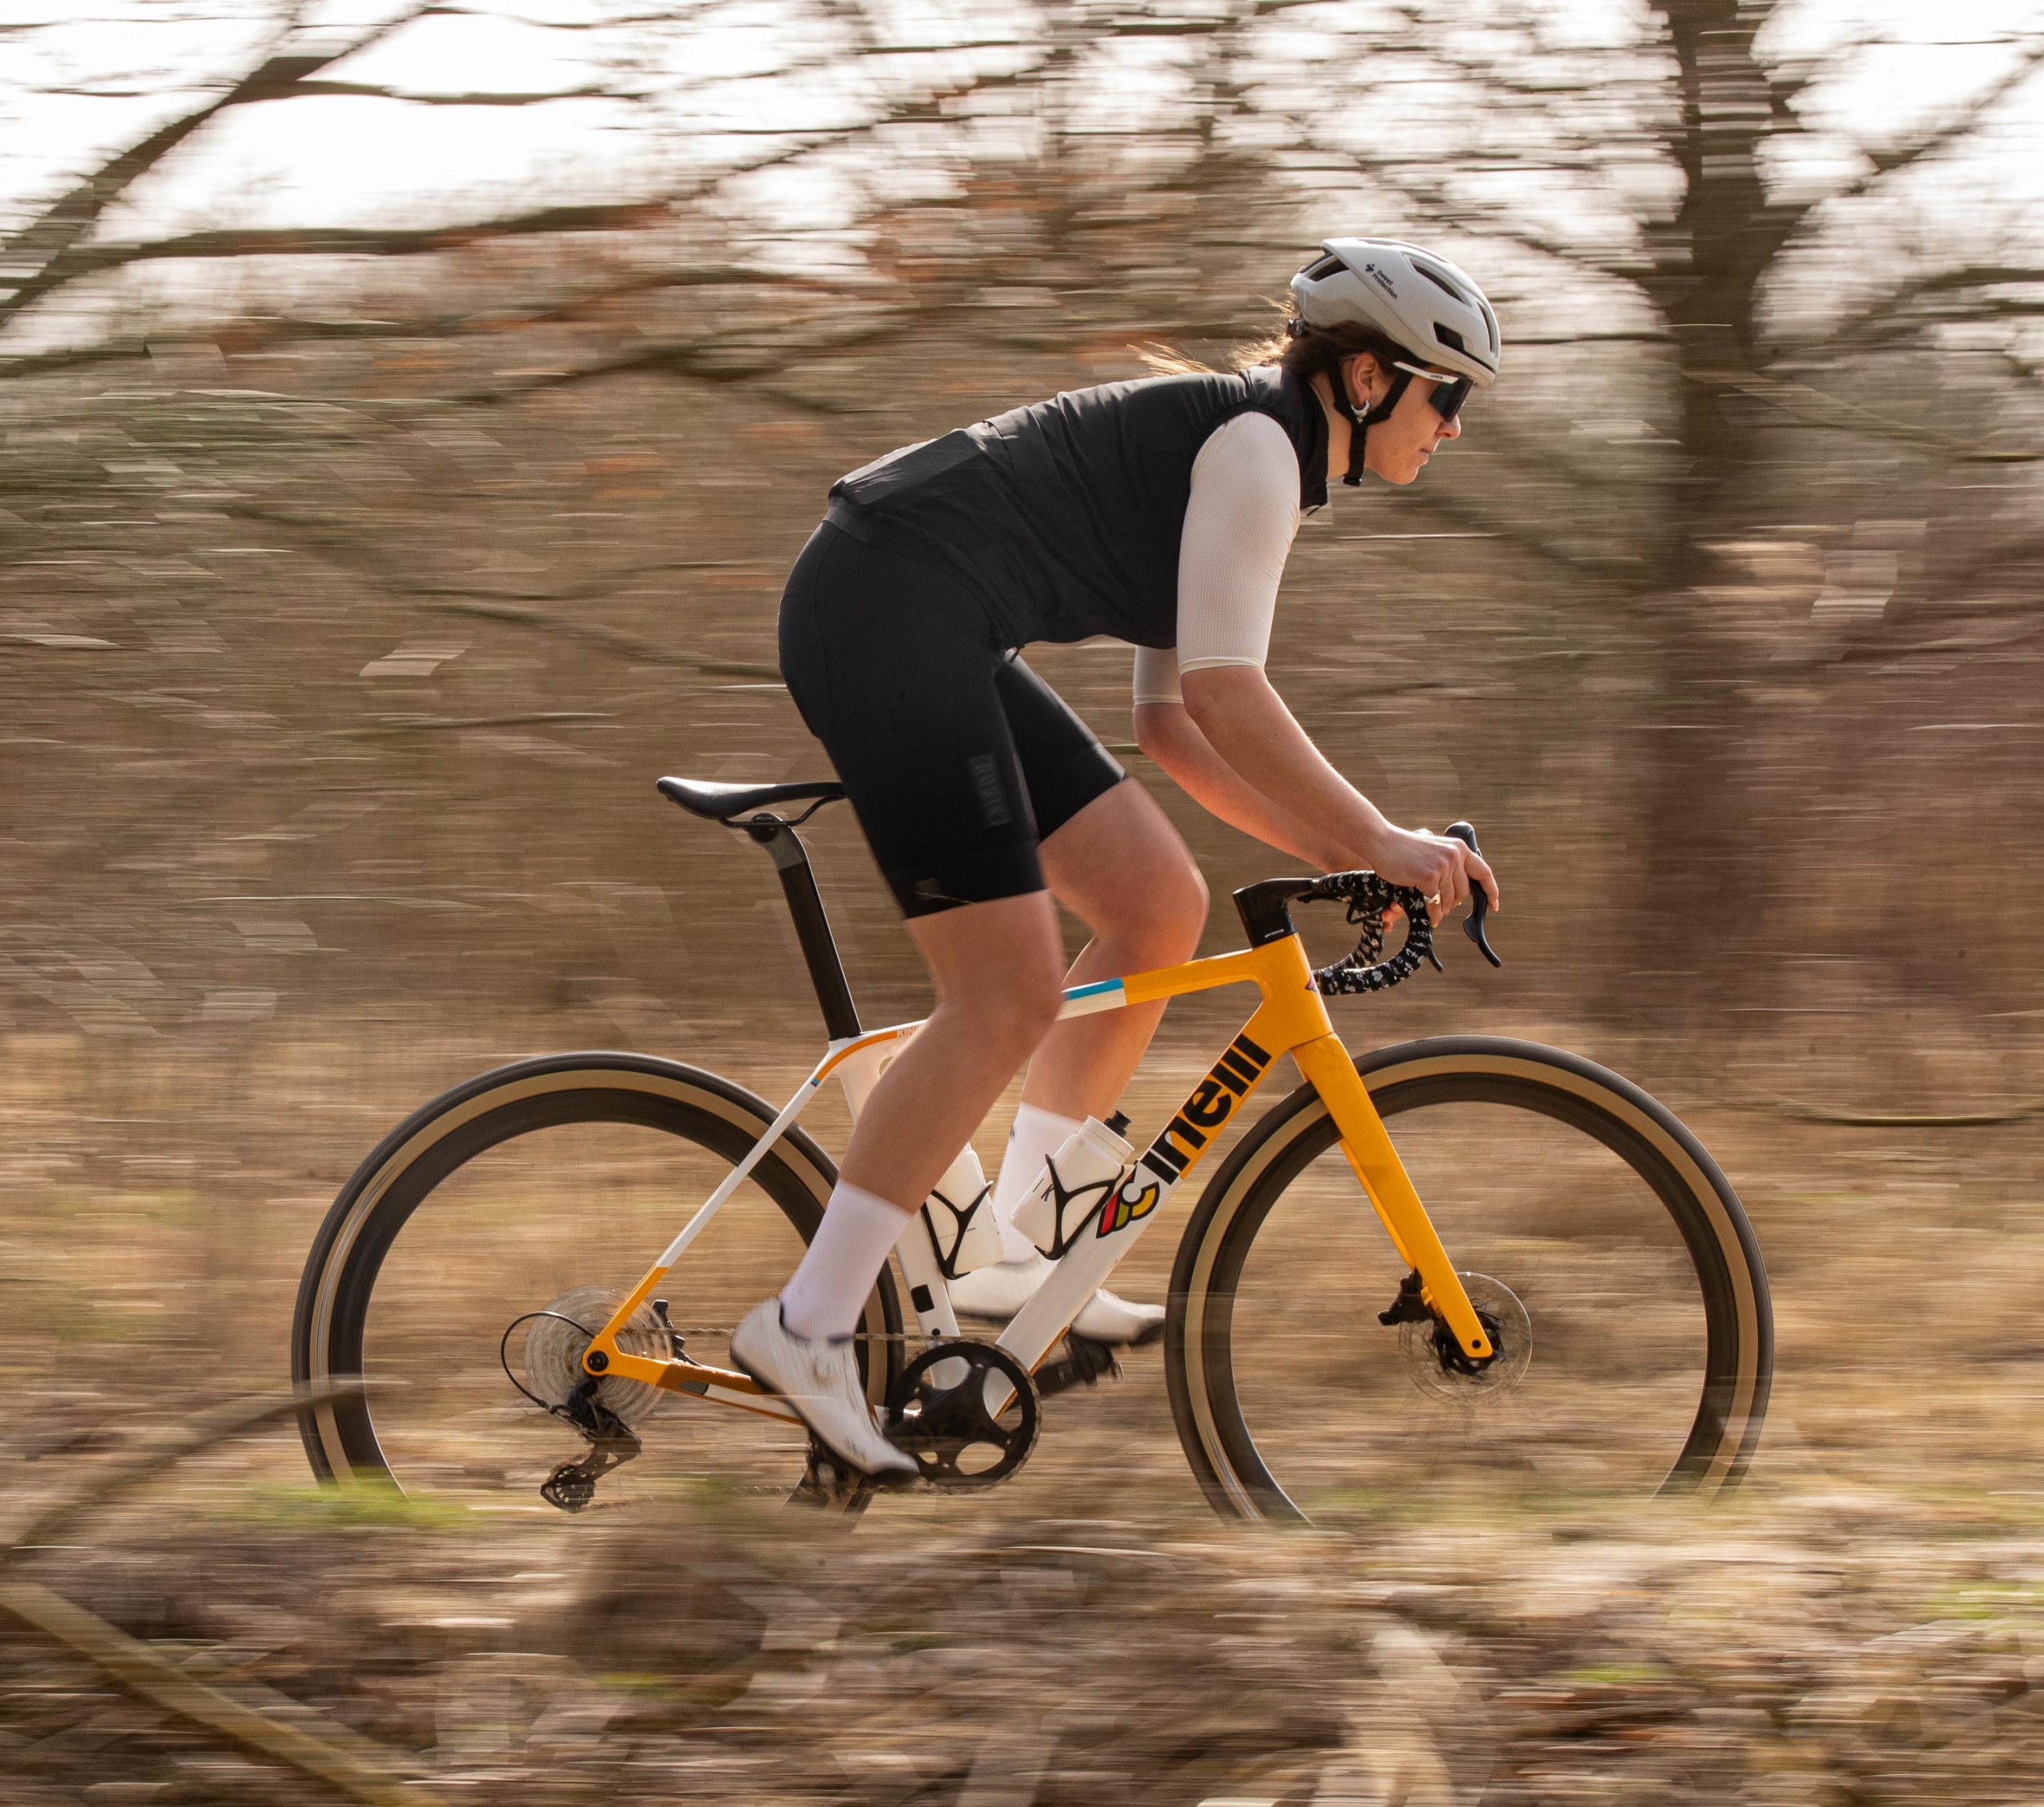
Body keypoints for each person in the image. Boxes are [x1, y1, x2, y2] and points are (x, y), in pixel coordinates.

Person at [729, 238, 1505, 1477]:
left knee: (1156, 899)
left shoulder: (1260, 454)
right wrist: (1384, 839)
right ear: (1366, 379)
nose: (1453, 429)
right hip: (889, 608)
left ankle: (1023, 1242)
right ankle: (808, 1323)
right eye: (1445, 396)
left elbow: (1179, 728)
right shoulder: (1255, 447)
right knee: (1006, 991)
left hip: (924, 611)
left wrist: (1353, 855)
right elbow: (1233, 697)